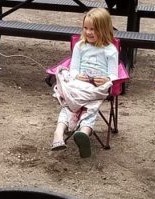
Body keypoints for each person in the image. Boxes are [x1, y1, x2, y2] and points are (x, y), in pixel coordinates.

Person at [50, 8, 120, 158]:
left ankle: (83, 134)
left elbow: (114, 74)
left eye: (93, 29)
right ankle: (59, 133)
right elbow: (73, 69)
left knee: (90, 107)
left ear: (104, 29)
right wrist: (77, 75)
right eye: (86, 28)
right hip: (79, 85)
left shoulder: (110, 50)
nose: (88, 32)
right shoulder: (80, 46)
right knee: (70, 103)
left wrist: (108, 79)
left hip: (97, 87)